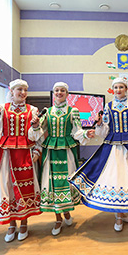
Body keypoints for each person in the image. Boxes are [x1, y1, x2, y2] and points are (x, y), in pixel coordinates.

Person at [69, 78, 128, 232]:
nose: (118, 90)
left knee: (127, 179)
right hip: (112, 148)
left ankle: (122, 213)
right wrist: (98, 125)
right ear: (112, 89)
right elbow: (104, 131)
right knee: (116, 179)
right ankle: (118, 216)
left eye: (121, 87)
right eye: (116, 87)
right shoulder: (108, 106)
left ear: (126, 88)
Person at [0, 79, 42, 242]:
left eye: (25, 90)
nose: (22, 93)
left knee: (25, 187)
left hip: (25, 153)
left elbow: (35, 136)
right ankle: (11, 224)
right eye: (19, 89)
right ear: (11, 91)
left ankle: (24, 223)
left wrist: (35, 129)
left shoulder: (32, 110)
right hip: (6, 154)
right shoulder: (1, 109)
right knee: (7, 186)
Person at [37, 82, 95, 235]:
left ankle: (67, 213)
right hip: (51, 151)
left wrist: (85, 134)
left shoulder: (73, 111)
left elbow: (77, 131)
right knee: (53, 183)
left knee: (66, 181)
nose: (59, 93)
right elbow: (37, 131)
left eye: (62, 90)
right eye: (57, 90)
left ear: (67, 94)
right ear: (53, 93)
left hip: (67, 150)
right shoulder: (47, 112)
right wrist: (34, 125)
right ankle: (58, 219)